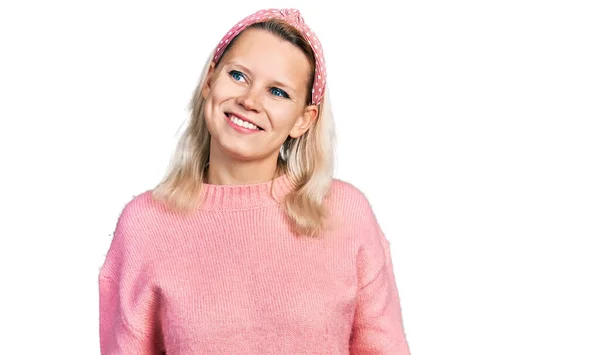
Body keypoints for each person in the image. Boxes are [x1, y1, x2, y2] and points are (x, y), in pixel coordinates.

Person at [98, 8, 411, 354]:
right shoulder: (146, 224)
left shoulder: (344, 213)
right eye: (238, 76)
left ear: (303, 120)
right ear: (209, 81)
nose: (249, 101)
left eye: (278, 92)